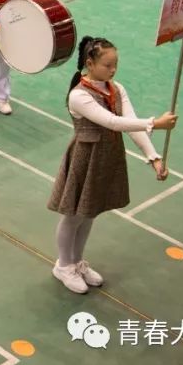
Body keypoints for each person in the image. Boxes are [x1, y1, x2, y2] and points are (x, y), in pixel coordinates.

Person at [47, 36, 174, 294]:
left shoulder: (117, 89)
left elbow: (131, 123)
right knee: (74, 216)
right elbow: (113, 123)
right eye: (107, 65)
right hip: (86, 158)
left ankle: (77, 262)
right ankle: (63, 265)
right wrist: (155, 123)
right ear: (89, 63)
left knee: (90, 213)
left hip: (107, 157)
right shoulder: (79, 96)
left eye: (115, 64)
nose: (112, 70)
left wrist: (154, 157)